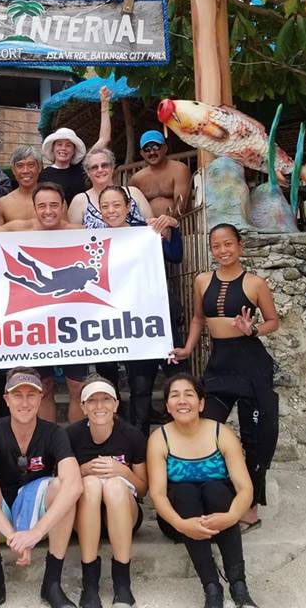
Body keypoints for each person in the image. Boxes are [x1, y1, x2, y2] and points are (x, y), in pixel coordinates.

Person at [170, 223, 279, 532]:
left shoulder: (255, 283)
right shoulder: (202, 280)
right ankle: (211, 498)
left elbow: (273, 321)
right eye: (216, 246)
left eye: (228, 244)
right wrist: (187, 348)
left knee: (256, 439)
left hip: (251, 366)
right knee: (204, 428)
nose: (222, 250)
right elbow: (198, 318)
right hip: (219, 365)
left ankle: (250, 510)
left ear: (240, 246)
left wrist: (253, 329)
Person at [0, 183, 84, 424]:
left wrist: (151, 228)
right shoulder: (22, 228)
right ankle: (49, 442)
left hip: (74, 326)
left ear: (63, 207)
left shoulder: (79, 231)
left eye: (54, 205)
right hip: (37, 328)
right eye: (42, 206)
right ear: (34, 207)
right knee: (43, 387)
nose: (48, 211)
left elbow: (121, 234)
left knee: (77, 388)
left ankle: (76, 443)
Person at [0, 368, 83, 608]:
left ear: (41, 398)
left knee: (63, 486)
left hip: (38, 519)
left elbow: (74, 485)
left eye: (31, 395)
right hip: (0, 520)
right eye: (17, 395)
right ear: (6, 399)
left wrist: (36, 533)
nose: (24, 402)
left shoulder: (54, 432)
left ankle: (52, 583)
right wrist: (13, 535)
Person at [147, 373, 258, 608]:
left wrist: (232, 516)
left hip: (221, 520)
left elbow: (245, 488)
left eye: (189, 394)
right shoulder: (159, 439)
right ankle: (212, 589)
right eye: (175, 396)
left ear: (201, 403)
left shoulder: (221, 433)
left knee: (216, 489)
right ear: (167, 405)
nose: (182, 401)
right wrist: (180, 524)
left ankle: (239, 587)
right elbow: (157, 494)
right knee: (185, 491)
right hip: (180, 522)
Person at [95, 185, 179, 435]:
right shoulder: (92, 240)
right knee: (107, 380)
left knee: (141, 386)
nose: (111, 211)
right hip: (107, 323)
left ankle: (140, 444)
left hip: (142, 321)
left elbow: (175, 255)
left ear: (129, 207)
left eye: (116, 205)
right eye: (105, 206)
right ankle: (115, 434)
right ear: (99, 211)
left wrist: (172, 226)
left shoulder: (146, 233)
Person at [66, 375, 148, 608]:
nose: (99, 406)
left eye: (106, 399)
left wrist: (123, 472)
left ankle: (122, 584)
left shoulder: (132, 435)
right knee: (91, 484)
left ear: (116, 404)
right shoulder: (71, 435)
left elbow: (143, 489)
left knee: (114, 485)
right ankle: (90, 586)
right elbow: (60, 484)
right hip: (84, 518)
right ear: (83, 407)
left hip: (124, 514)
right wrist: (82, 470)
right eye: (92, 400)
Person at [39, 85, 113, 205]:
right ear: (53, 148)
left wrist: (104, 104)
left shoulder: (81, 169)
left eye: (68, 145)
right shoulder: (44, 176)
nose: (63, 148)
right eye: (59, 144)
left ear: (74, 150)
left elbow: (104, 139)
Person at [67, 147, 153, 228]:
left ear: (112, 168)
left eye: (104, 165)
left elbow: (152, 224)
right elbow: (72, 234)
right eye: (94, 167)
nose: (100, 170)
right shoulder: (80, 200)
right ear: (88, 172)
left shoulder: (133, 193)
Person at [128, 130, 191, 217]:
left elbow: (181, 204)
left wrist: (170, 222)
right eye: (147, 149)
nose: (152, 153)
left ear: (165, 148)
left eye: (156, 147)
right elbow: (131, 208)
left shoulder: (179, 170)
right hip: (148, 224)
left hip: (178, 222)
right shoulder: (136, 179)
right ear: (142, 153)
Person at [0, 146, 42, 225]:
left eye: (31, 165)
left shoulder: (54, 200)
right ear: (13, 170)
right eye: (20, 166)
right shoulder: (2, 204)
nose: (25, 171)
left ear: (39, 168)